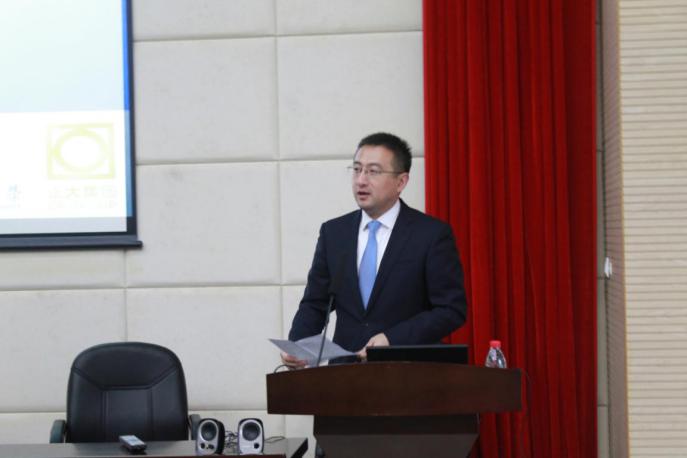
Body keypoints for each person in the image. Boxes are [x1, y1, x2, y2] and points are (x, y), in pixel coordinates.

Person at [282, 132, 466, 369]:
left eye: (373, 171)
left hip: (408, 372)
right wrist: (297, 346)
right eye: (357, 169)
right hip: (344, 375)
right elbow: (315, 304)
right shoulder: (334, 233)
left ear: (401, 182)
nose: (361, 180)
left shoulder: (430, 235)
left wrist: (392, 339)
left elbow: (451, 310)